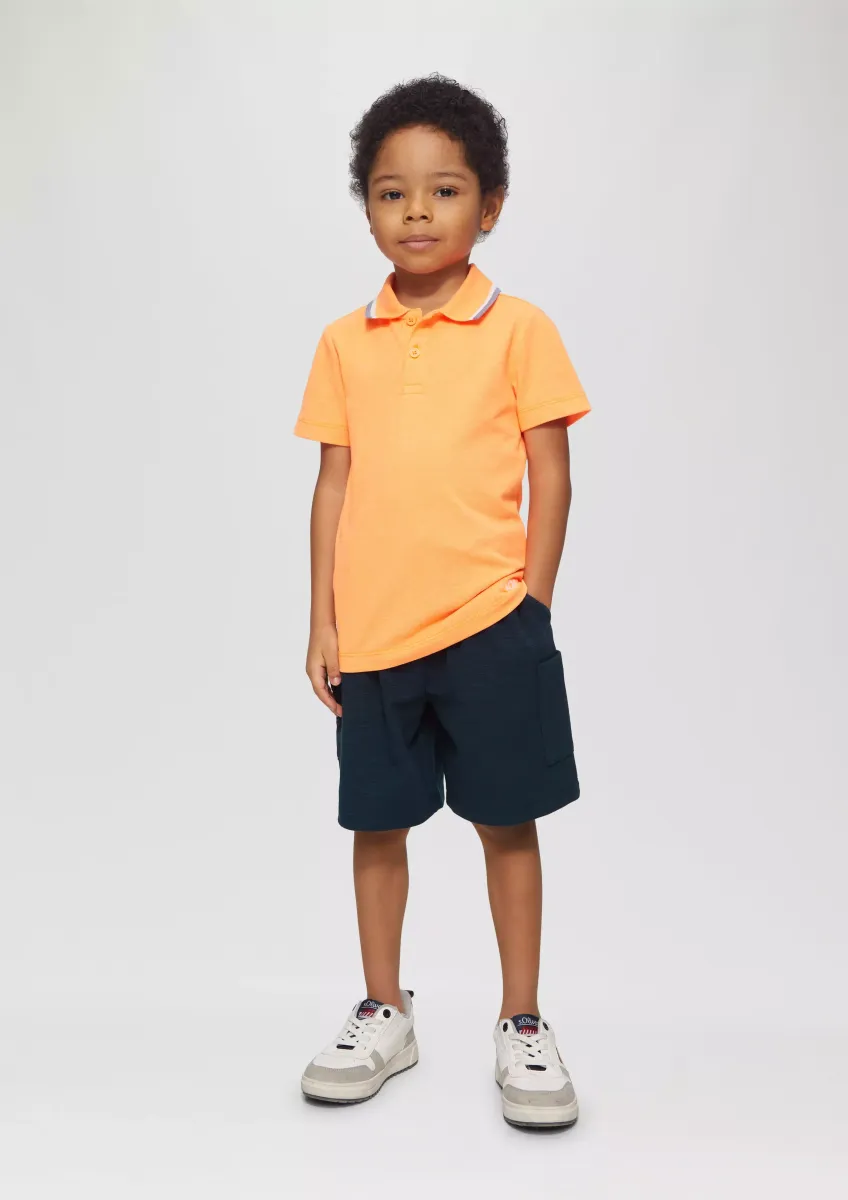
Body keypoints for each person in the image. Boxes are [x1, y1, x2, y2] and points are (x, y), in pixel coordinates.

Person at [293, 74, 590, 1128]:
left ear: (489, 206)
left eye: (444, 190)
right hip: (374, 635)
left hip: (491, 624)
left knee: (506, 823)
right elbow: (332, 484)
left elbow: (550, 472)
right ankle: (386, 1009)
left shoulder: (520, 329)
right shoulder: (344, 341)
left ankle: (522, 1020)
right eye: (391, 192)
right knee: (377, 825)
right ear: (368, 207)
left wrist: (531, 605)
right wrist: (324, 620)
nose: (416, 211)